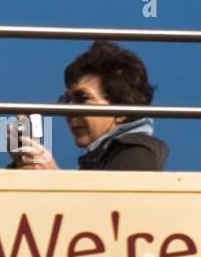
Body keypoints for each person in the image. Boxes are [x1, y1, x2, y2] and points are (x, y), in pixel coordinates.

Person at [12, 41, 168, 171]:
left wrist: (53, 180)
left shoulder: (137, 156)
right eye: (66, 100)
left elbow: (116, 208)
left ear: (121, 109)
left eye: (82, 98)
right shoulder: (102, 156)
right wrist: (23, 162)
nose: (69, 111)